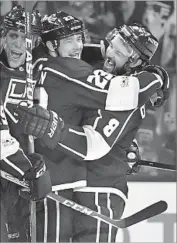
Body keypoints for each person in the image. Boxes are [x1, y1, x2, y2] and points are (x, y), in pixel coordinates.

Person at [16, 12, 170, 242]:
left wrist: (156, 78)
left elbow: (93, 144)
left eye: (119, 53)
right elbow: (84, 52)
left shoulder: (128, 97)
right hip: (76, 185)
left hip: (102, 189)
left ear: (135, 63)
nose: (110, 55)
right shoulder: (96, 70)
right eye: (112, 47)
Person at [0, 6, 52, 242]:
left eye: (26, 37)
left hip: (21, 186)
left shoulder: (41, 69)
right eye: (13, 36)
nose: (18, 45)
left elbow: (85, 68)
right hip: (14, 173)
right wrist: (26, 169)